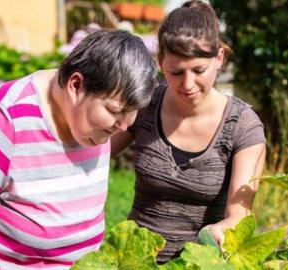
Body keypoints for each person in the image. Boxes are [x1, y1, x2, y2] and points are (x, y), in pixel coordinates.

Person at [0, 29, 158, 269]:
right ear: (76, 85)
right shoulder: (3, 123)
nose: (124, 125)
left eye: (132, 112)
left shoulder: (91, 121)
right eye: (116, 111)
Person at [111, 0, 266, 263]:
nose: (187, 84)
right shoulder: (146, 105)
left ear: (219, 58)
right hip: (135, 261)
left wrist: (220, 230)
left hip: (198, 264)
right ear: (160, 63)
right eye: (176, 72)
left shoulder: (243, 125)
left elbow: (240, 214)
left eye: (198, 70)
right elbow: (95, 152)